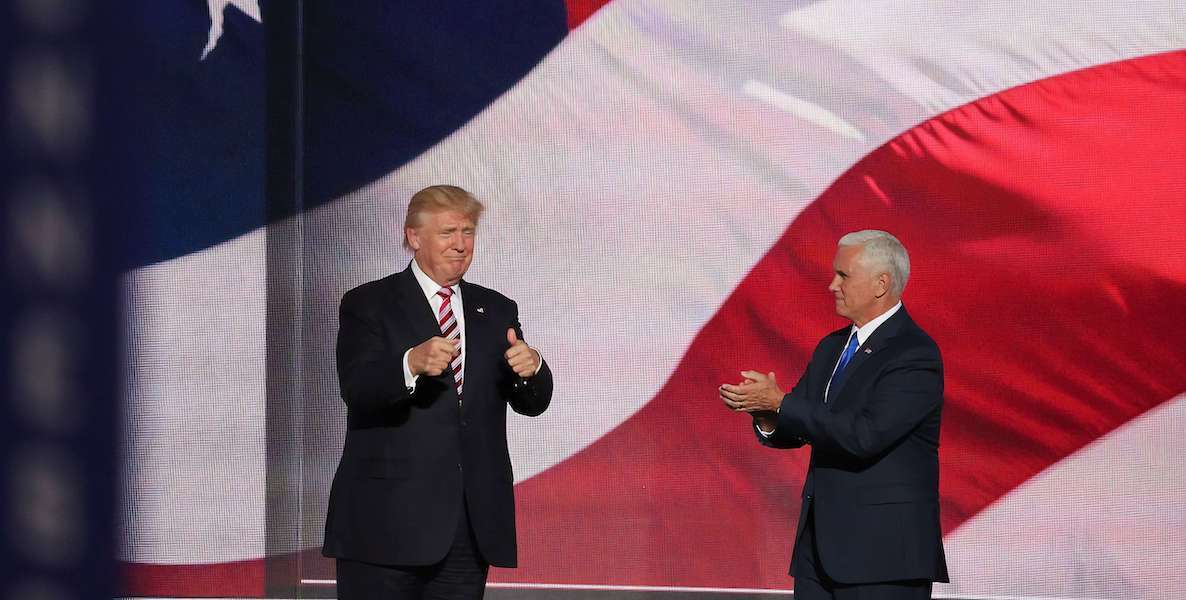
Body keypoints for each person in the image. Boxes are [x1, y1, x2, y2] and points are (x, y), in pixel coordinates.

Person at [323, 185, 553, 599]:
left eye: (468, 232)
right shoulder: (369, 303)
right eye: (448, 232)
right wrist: (410, 363)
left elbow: (531, 404)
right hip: (384, 524)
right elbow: (358, 390)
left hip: (467, 527)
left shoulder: (497, 308)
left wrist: (533, 369)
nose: (461, 245)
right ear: (414, 237)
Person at [719, 230, 948, 599]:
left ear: (881, 284)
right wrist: (766, 414)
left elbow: (866, 435)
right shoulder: (832, 347)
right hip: (818, 553)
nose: (831, 285)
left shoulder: (913, 354)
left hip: (883, 557)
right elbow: (801, 423)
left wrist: (782, 404)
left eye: (844, 275)